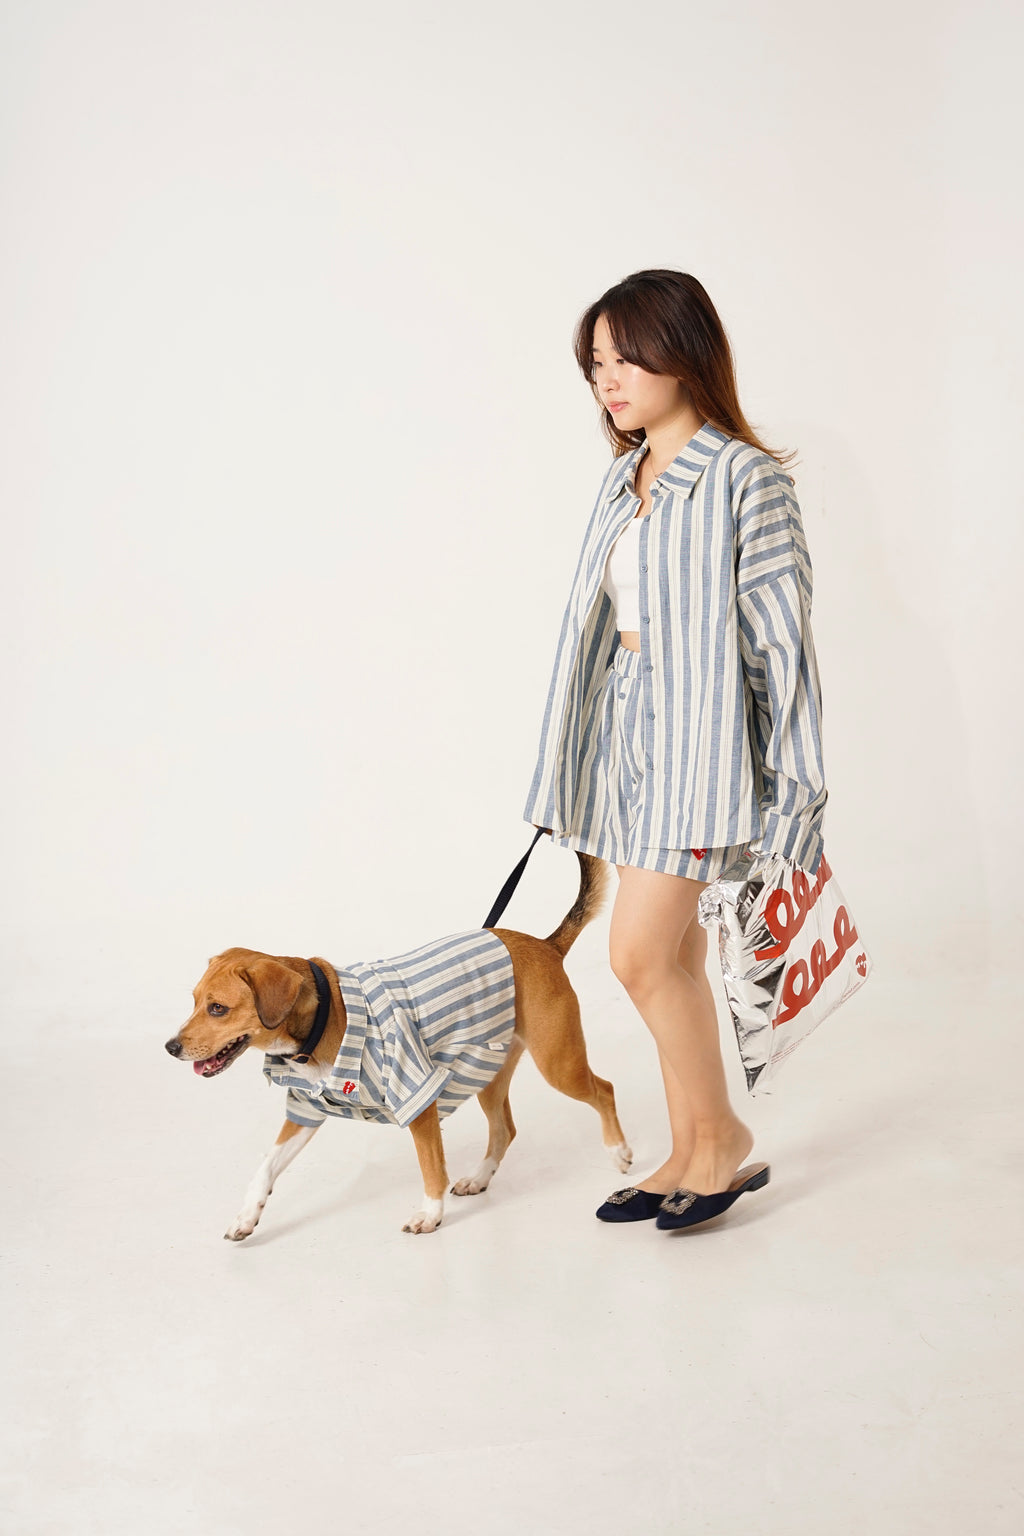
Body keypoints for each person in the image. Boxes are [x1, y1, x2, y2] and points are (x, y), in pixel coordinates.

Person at [522, 269, 827, 1231]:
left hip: (704, 747)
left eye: (626, 357)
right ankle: (688, 1150)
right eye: (595, 363)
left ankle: (721, 1139)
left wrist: (798, 792)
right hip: (627, 737)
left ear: (683, 352)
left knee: (640, 955)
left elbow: (783, 645)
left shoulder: (745, 479)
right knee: (679, 960)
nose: (607, 379)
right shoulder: (623, 479)